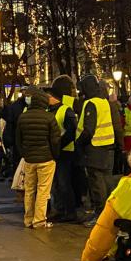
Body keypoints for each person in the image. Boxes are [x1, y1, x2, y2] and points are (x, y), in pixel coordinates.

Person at [15, 87, 60, 229]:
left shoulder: (23, 117)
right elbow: (55, 140)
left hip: (29, 159)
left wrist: (25, 154)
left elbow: (18, 139)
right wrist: (54, 155)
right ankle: (39, 220)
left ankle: (28, 219)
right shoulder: (49, 117)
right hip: (46, 159)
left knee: (29, 190)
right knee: (43, 190)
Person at [76, 75, 116, 223]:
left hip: (94, 148)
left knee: (96, 183)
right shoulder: (104, 102)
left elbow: (88, 130)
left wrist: (78, 143)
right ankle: (108, 213)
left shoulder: (91, 103)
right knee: (106, 181)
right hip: (107, 146)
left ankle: (100, 214)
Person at [49, 75, 80, 222]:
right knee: (57, 183)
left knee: (64, 183)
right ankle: (59, 210)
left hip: (65, 151)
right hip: (56, 151)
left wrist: (59, 144)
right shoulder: (53, 110)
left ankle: (69, 212)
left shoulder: (65, 109)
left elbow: (71, 131)